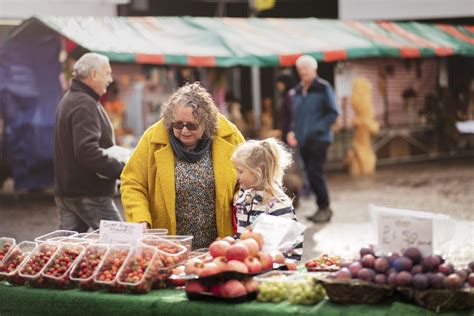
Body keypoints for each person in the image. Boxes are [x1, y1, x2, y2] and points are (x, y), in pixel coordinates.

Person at [121, 82, 245, 249]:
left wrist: (240, 201)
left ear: (206, 123)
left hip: (220, 247)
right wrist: (140, 219)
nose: (184, 131)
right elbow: (132, 183)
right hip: (169, 247)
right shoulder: (152, 139)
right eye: (178, 125)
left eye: (192, 125)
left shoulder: (230, 136)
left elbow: (247, 179)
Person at [54, 53, 125, 233]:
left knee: (66, 249)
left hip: (70, 191)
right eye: (107, 74)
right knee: (121, 244)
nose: (110, 80)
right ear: (93, 74)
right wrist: (123, 170)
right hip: (89, 193)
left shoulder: (72, 98)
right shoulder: (84, 103)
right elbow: (87, 151)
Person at [287, 55, 339, 223]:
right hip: (303, 140)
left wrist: (318, 128)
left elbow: (333, 112)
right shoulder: (297, 91)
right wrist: (293, 131)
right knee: (309, 173)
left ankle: (325, 207)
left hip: (319, 139)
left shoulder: (323, 87)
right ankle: (321, 208)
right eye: (300, 69)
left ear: (314, 69)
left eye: (306, 69)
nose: (303, 72)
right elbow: (295, 116)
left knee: (315, 172)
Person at [232, 138, 303, 260]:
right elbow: (242, 234)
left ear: (257, 172)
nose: (237, 176)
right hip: (246, 264)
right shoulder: (243, 197)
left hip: (268, 268)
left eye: (241, 171)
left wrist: (280, 265)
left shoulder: (277, 204)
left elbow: (292, 247)